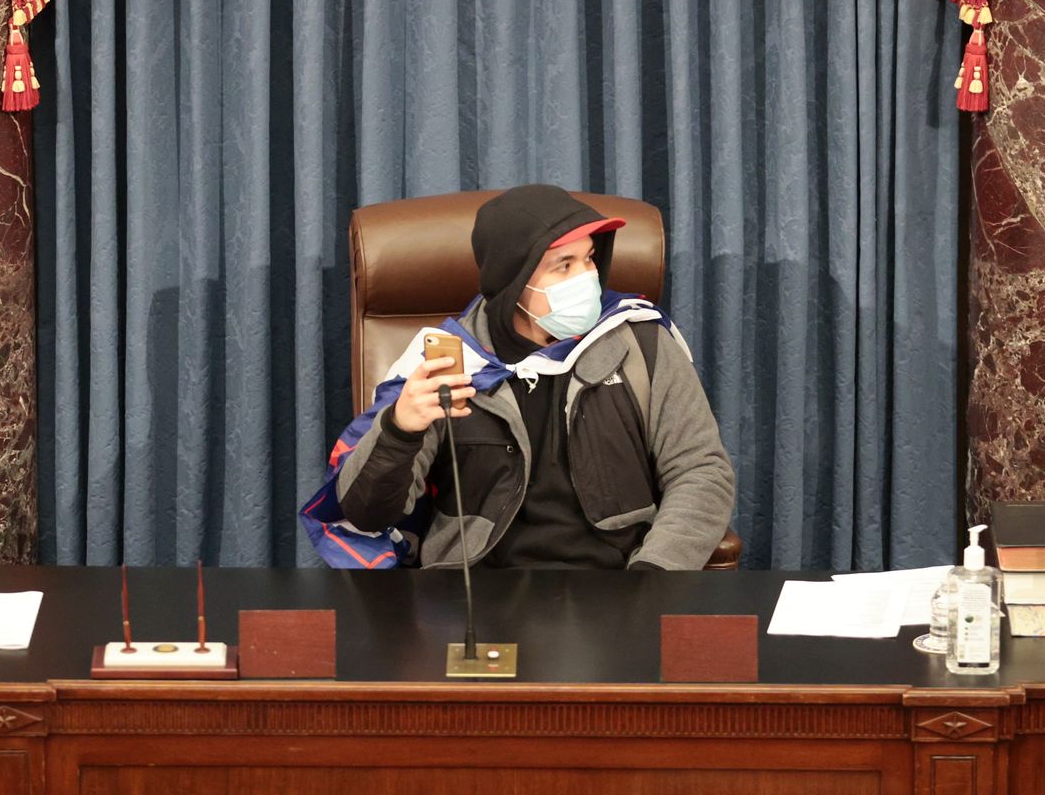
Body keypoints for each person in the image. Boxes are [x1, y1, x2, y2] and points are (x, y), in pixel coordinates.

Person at [301, 184, 735, 570]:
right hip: (472, 598)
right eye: (563, 266)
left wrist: (654, 577)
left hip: (617, 584)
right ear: (514, 281)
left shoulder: (640, 341)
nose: (587, 278)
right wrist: (399, 430)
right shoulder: (449, 363)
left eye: (588, 259)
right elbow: (366, 516)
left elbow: (700, 471)